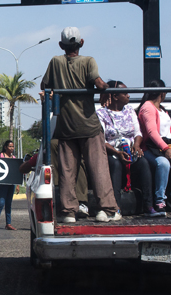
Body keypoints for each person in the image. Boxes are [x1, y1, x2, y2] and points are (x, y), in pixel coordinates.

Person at [41, 27, 120, 223]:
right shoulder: (88, 61)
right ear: (82, 43)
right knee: (98, 167)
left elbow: (45, 85)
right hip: (89, 126)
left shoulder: (55, 62)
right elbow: (99, 83)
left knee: (68, 170)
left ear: (61, 45)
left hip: (66, 126)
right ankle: (107, 210)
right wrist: (105, 89)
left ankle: (68, 211)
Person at [97, 80, 162, 217]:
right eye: (125, 93)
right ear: (115, 96)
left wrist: (137, 145)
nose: (128, 96)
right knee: (115, 165)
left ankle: (148, 206)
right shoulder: (101, 114)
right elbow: (101, 140)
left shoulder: (130, 110)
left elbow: (138, 133)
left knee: (143, 163)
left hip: (130, 149)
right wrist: (117, 152)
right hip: (112, 151)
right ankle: (116, 207)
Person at [138, 79, 171, 214]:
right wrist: (166, 149)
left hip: (166, 145)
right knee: (163, 164)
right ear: (163, 92)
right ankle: (159, 200)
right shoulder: (148, 107)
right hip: (152, 148)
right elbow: (151, 132)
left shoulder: (162, 110)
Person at [0, 140, 18, 231]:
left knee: (8, 204)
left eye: (12, 146)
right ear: (5, 147)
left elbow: (15, 172)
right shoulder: (0, 156)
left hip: (11, 184)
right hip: (3, 184)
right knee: (1, 203)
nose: (11, 148)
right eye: (10, 146)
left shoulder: (14, 158)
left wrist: (17, 185)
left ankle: (8, 224)